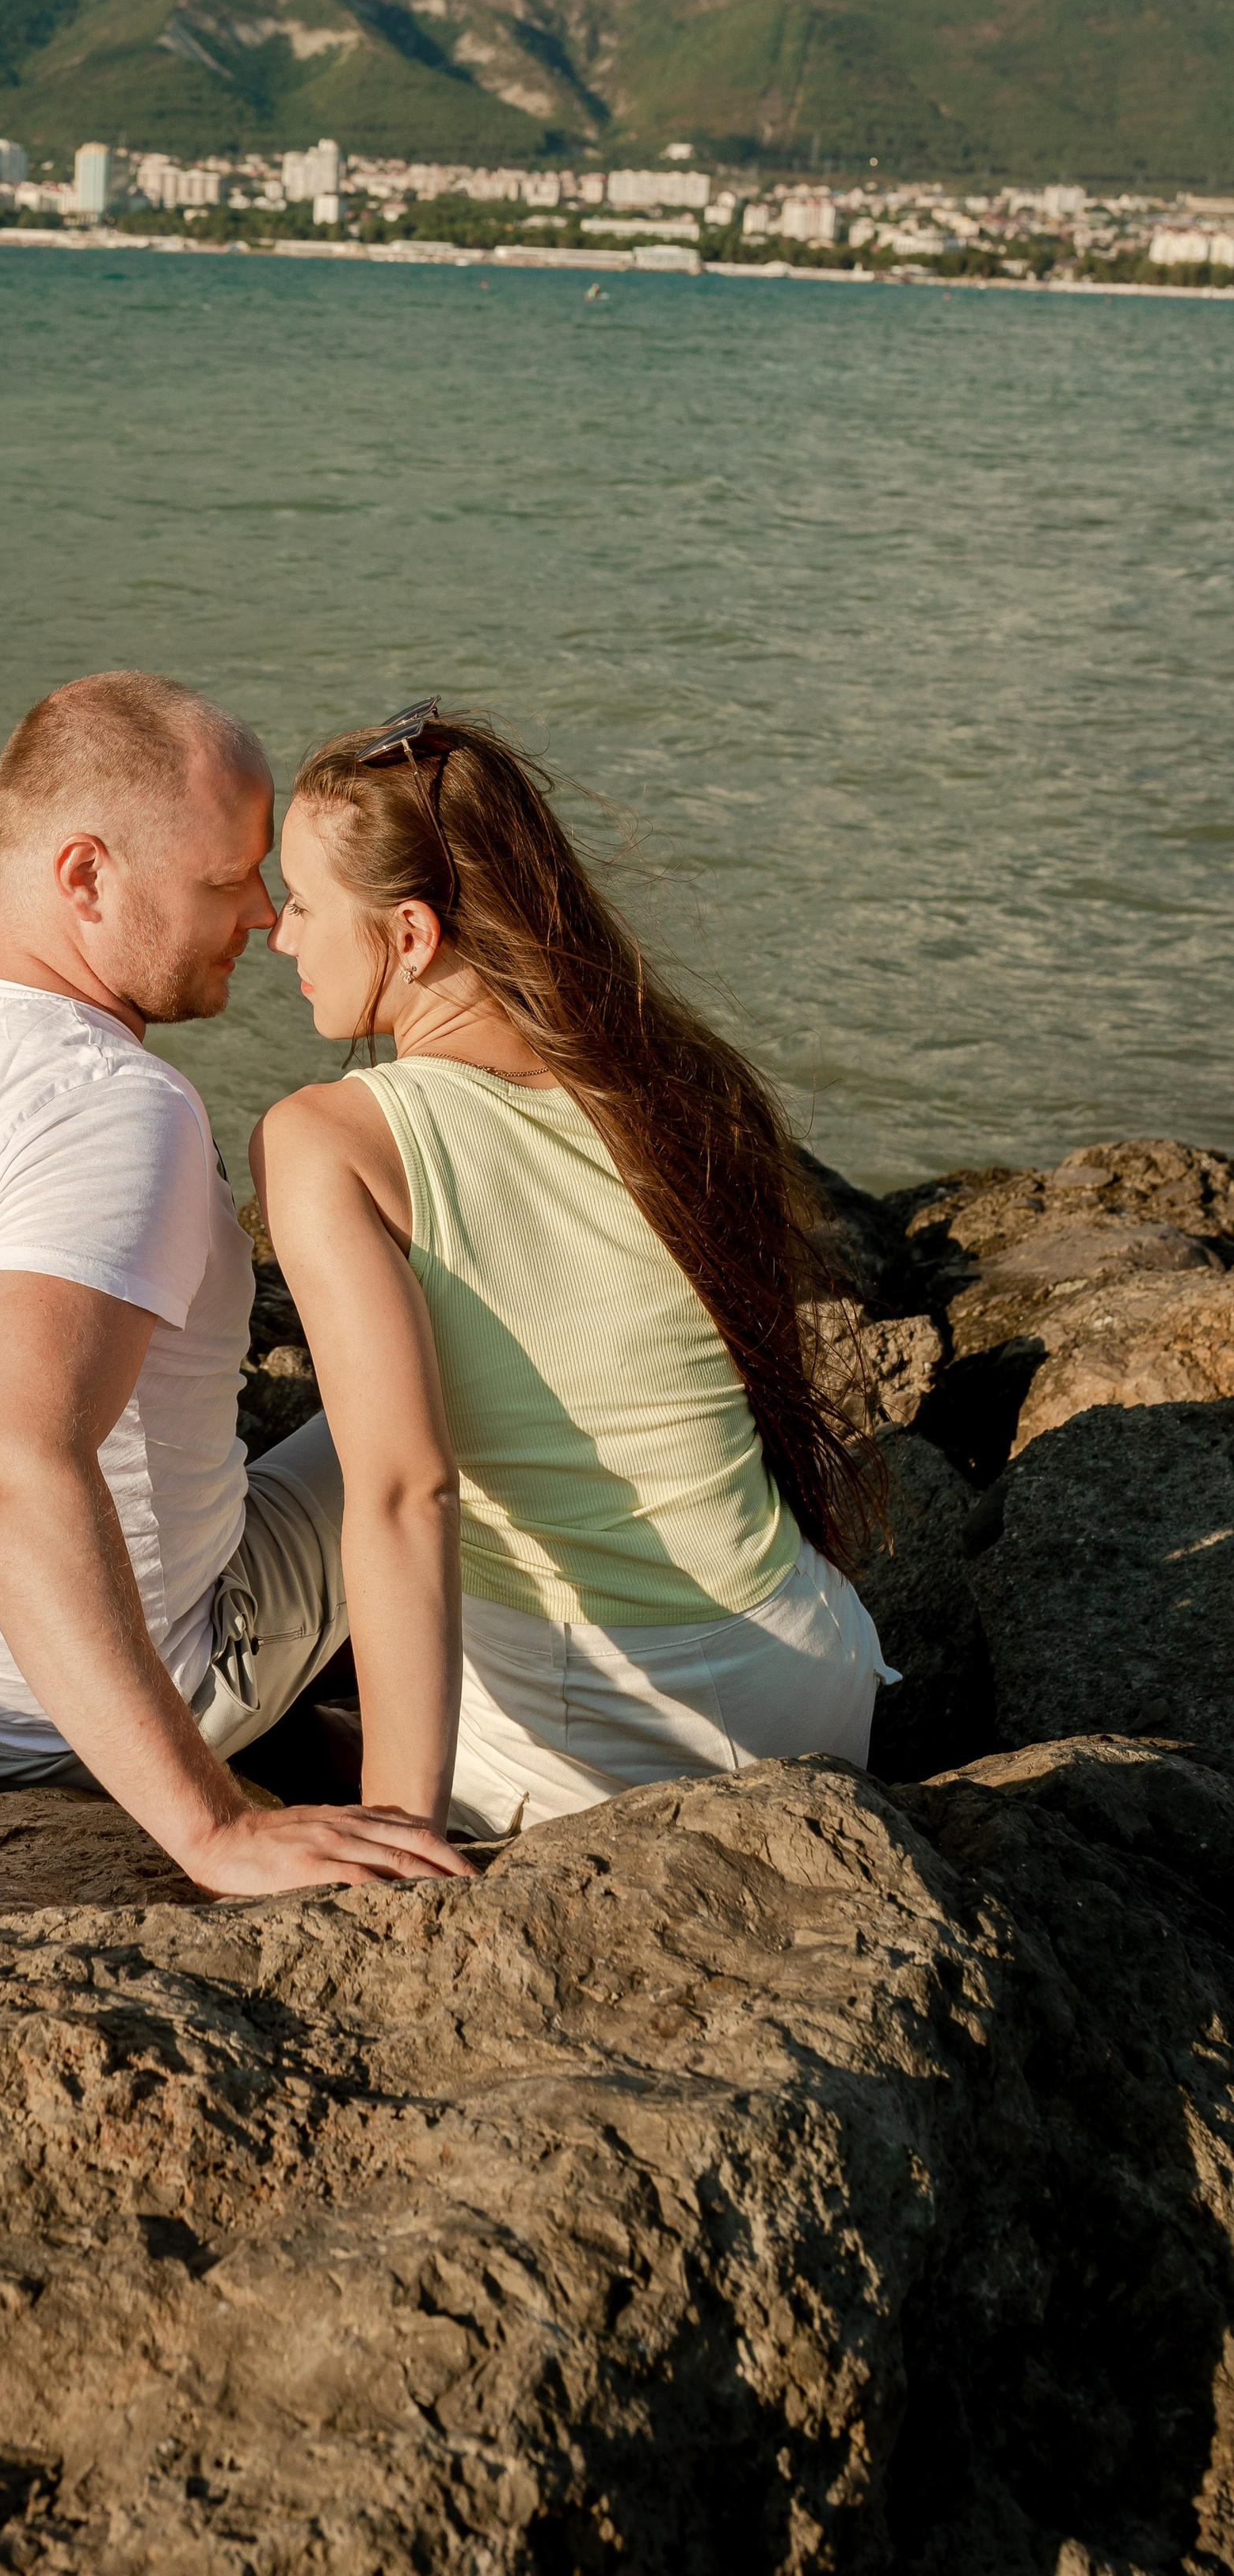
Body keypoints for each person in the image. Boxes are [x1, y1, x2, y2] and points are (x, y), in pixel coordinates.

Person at [0, 669, 468, 1896]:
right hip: (43, 1722)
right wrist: (211, 1830)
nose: (264, 914)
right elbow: (8, 1472)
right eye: (226, 879)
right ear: (85, 876)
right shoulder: (116, 1110)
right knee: (453, 1391)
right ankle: (518, 1741)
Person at [252, 699, 893, 1841]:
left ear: (411, 935)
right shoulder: (671, 1083)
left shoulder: (328, 1141)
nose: (278, 936)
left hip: (622, 1729)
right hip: (815, 1671)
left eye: (301, 902)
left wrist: (399, 1840)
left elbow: (405, 1492)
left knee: (260, 1733)